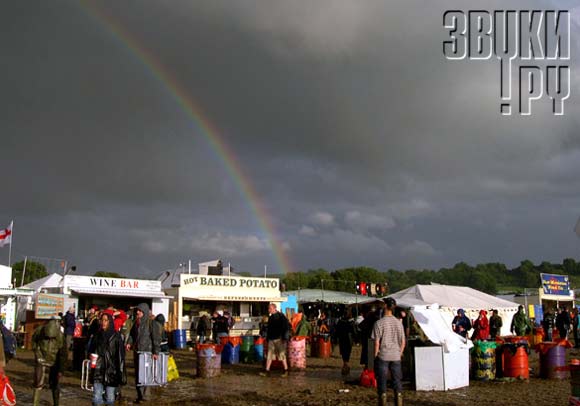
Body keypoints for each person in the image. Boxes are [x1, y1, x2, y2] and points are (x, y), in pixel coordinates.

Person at [372, 297, 405, 406]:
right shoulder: (399, 323)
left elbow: (377, 343)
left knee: (382, 381)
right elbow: (403, 342)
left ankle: (383, 403)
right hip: (396, 356)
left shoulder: (378, 323)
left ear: (385, 306)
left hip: (383, 356)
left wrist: (375, 356)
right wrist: (399, 354)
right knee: (397, 382)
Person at [126, 303, 161, 404]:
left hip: (147, 353)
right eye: (137, 310)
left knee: (146, 375)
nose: (138, 312)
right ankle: (140, 396)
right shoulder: (136, 323)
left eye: (140, 311)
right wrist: (129, 343)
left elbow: (156, 339)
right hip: (137, 353)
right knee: (138, 375)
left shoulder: (152, 323)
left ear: (144, 311)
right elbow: (132, 335)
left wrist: (156, 352)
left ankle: (145, 397)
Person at [89, 313, 126, 406]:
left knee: (110, 398)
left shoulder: (116, 337)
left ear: (110, 322)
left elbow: (120, 356)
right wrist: (91, 361)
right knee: (96, 398)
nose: (103, 323)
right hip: (98, 370)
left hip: (111, 371)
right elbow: (91, 351)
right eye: (102, 320)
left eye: (106, 320)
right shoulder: (97, 336)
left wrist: (121, 374)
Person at [32, 317, 67, 406]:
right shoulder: (40, 331)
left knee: (55, 383)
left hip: (55, 360)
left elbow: (63, 354)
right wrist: (37, 353)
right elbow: (34, 342)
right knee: (38, 381)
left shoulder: (61, 336)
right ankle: (35, 403)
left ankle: (56, 403)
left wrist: (61, 370)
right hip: (41, 358)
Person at [260, 303, 289, 377]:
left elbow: (285, 327)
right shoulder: (271, 317)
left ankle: (286, 370)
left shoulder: (281, 316)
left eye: (270, 308)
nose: (269, 310)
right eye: (268, 308)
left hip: (279, 339)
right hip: (271, 339)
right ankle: (267, 371)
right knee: (269, 355)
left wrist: (284, 338)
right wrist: (267, 338)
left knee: (281, 355)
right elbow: (269, 329)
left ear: (274, 308)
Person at [334, 309, 355, 376]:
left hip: (342, 339)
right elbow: (354, 331)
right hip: (348, 340)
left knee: (344, 353)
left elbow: (336, 330)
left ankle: (345, 365)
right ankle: (346, 366)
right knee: (347, 353)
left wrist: (335, 338)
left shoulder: (340, 321)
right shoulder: (351, 322)